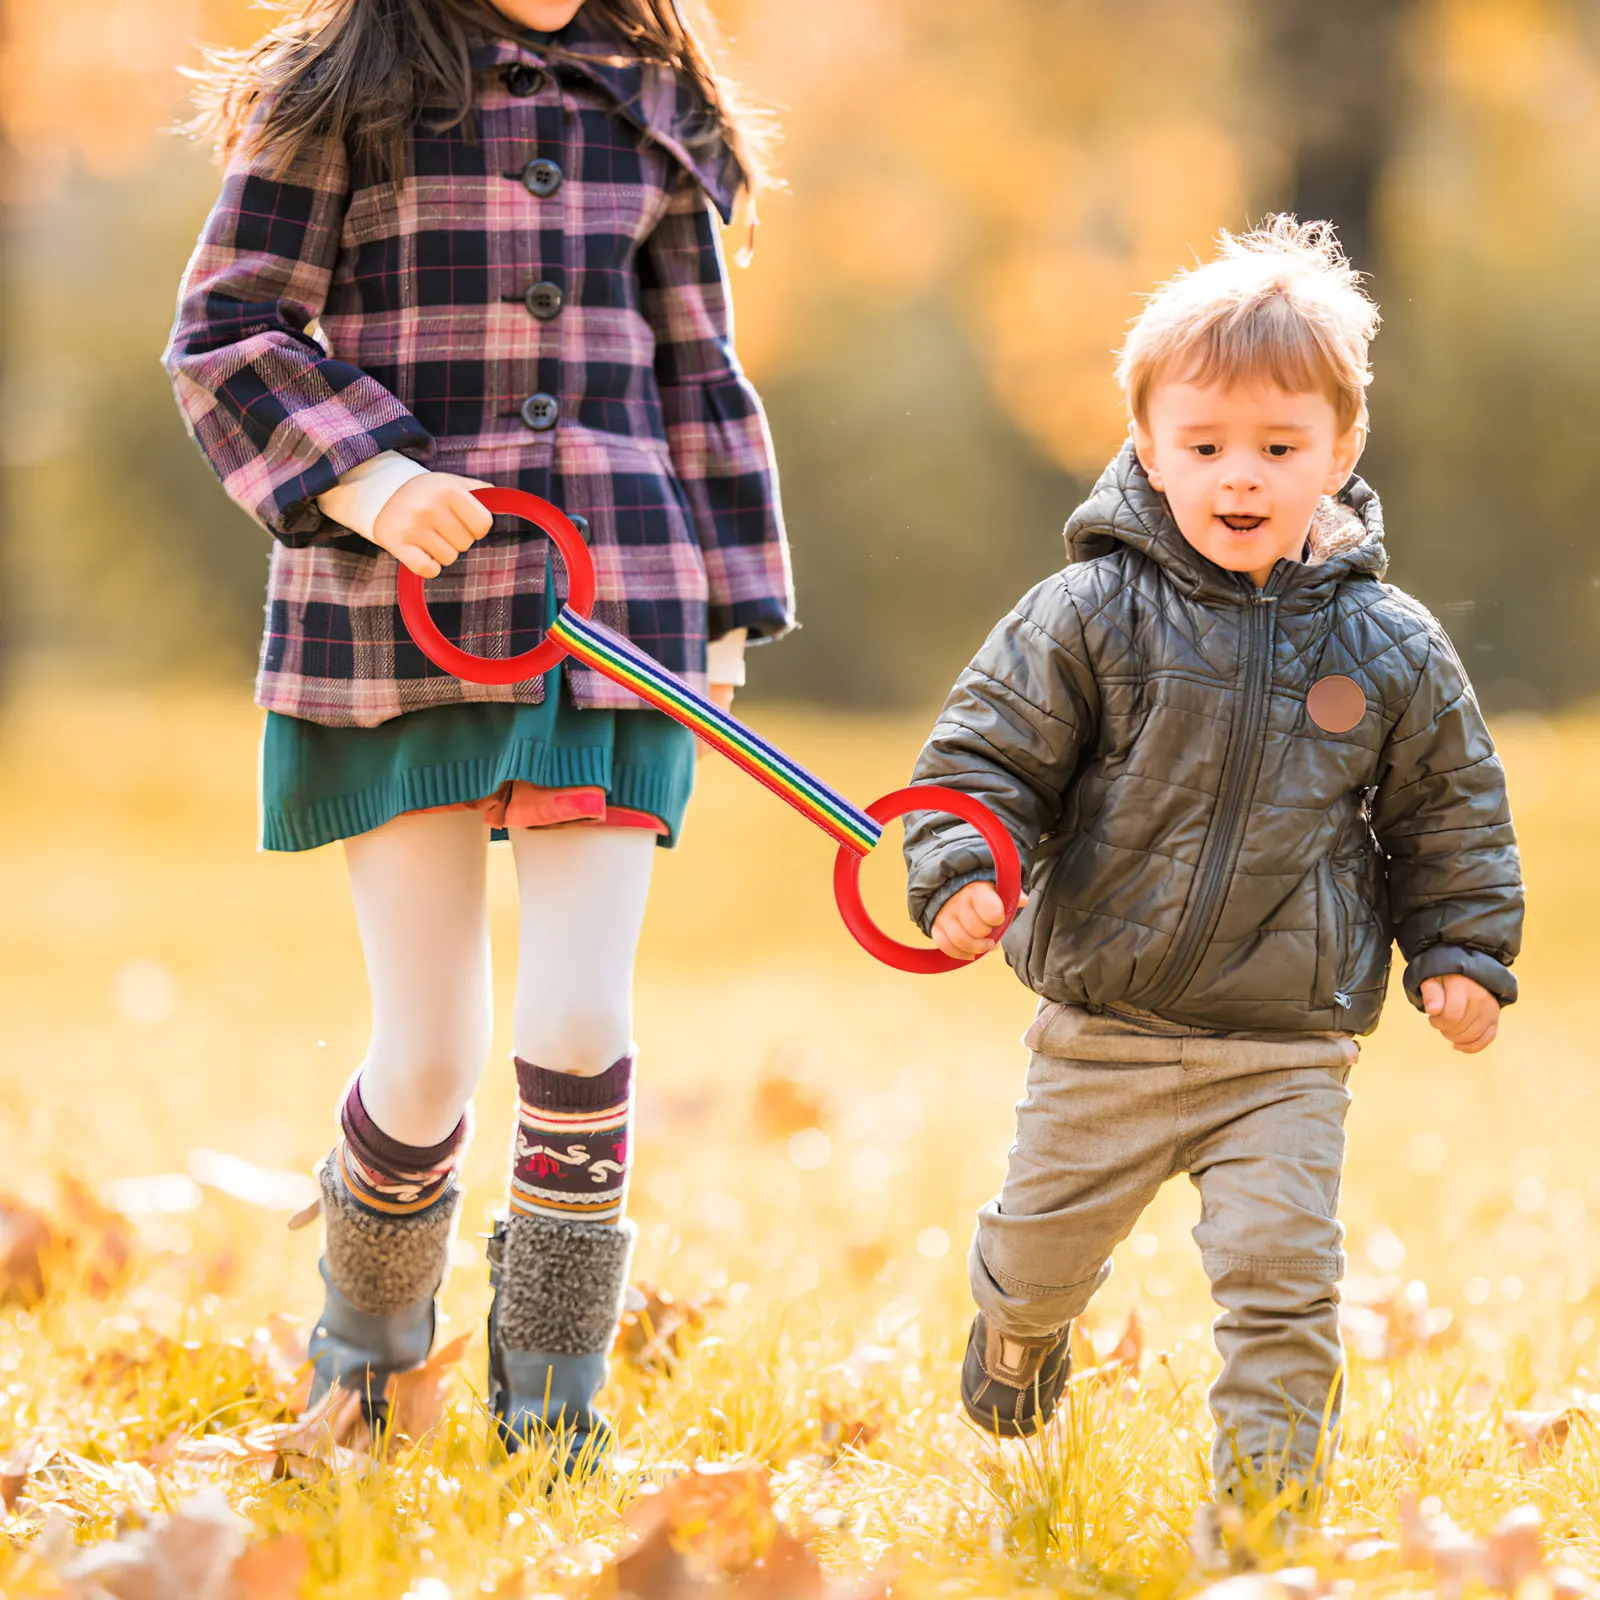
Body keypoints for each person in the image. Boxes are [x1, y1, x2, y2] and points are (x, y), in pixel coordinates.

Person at [163, 0, 792, 1471]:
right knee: (431, 1047)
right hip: (397, 618)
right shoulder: (345, 85)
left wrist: (724, 609)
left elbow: (698, 368)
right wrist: (370, 478)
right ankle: (366, 1368)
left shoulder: (656, 97)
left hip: (616, 607)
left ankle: (554, 1412)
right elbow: (226, 334)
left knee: (581, 1025)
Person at [901, 216, 1522, 1498]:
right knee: (1037, 1254)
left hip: (1282, 1045)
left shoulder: (1389, 644)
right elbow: (984, 761)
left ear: (1340, 452)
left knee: (1282, 1276)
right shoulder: (1088, 609)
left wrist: (1460, 946)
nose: (1239, 477)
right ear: (1147, 447)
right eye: (1204, 446)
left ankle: (1263, 1515)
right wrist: (963, 864)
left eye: (1278, 448)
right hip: (1104, 1028)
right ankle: (1021, 1332)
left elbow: (1447, 809)